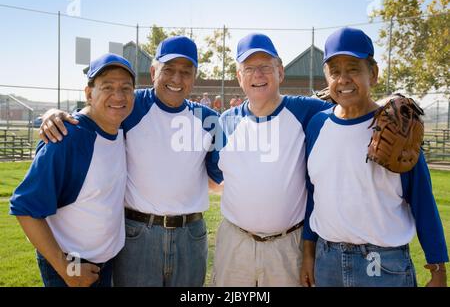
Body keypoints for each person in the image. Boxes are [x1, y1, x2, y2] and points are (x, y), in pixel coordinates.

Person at [38, 36, 223, 287]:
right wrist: (53, 114)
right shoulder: (131, 104)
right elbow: (94, 112)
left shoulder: (210, 120)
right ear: (154, 71)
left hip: (190, 234)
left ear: (195, 76)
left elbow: (218, 179)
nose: (176, 79)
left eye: (185, 72)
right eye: (168, 70)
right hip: (138, 232)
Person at [300, 27, 448, 287]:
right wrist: (309, 255)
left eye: (354, 68)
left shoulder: (397, 126)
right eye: (335, 71)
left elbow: (422, 199)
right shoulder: (317, 125)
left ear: (374, 74)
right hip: (327, 260)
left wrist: (438, 268)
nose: (343, 79)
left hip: (383, 265)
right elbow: (315, 196)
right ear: (327, 77)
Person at [210, 33, 332, 286]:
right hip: (236, 244)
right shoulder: (224, 122)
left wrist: (391, 101)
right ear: (239, 77)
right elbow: (213, 175)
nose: (258, 75)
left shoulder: (305, 110)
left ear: (280, 72)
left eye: (266, 67)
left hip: (287, 245)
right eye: (249, 68)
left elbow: (352, 107)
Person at [9, 53, 136, 287]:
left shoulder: (121, 127)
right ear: (89, 93)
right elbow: (24, 207)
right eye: (107, 87)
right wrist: (67, 268)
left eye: (126, 88)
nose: (118, 96)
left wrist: (50, 112)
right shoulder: (67, 137)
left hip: (106, 264)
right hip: (70, 265)